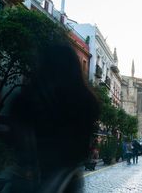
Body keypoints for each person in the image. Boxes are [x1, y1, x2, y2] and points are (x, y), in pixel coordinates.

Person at [9, 43, 100, 192]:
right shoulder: (87, 101)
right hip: (66, 181)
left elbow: (15, 139)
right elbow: (83, 150)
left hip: (29, 180)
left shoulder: (28, 98)